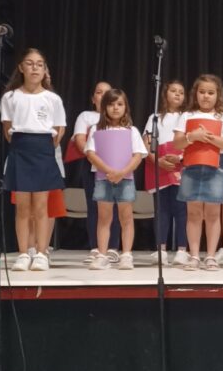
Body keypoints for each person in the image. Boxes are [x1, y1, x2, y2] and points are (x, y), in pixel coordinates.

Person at [1, 48, 66, 272]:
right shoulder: (10, 97)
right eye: (29, 63)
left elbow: (59, 130)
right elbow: (7, 129)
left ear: (45, 69)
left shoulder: (52, 99)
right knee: (22, 207)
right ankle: (23, 253)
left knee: (41, 207)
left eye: (39, 64)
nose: (34, 68)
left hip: (43, 150)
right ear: (21, 67)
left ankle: (41, 252)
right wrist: (22, 144)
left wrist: (43, 148)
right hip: (20, 149)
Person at [173, 74, 223, 271]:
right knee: (193, 212)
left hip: (217, 166)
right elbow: (177, 143)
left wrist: (210, 138)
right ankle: (194, 255)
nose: (206, 96)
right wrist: (192, 136)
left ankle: (210, 256)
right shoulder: (187, 115)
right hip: (192, 165)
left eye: (210, 92)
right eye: (202, 92)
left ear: (218, 95)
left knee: (212, 212)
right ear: (196, 94)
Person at [84, 88, 147, 270]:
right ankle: (102, 255)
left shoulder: (131, 130)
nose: (116, 108)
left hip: (125, 179)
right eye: (111, 104)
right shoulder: (97, 129)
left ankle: (126, 254)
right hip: (103, 179)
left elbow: (138, 155)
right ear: (104, 107)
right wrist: (109, 171)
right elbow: (90, 153)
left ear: (126, 107)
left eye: (120, 104)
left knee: (126, 217)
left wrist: (122, 172)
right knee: (104, 218)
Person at [72, 80, 120, 263]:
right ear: (93, 99)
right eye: (99, 92)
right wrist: (96, 159)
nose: (104, 95)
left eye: (108, 92)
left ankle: (113, 248)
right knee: (94, 207)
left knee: (114, 206)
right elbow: (80, 141)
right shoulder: (86, 116)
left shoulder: (119, 118)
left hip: (115, 167)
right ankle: (95, 247)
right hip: (91, 165)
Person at [143, 79, 188, 266]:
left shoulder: (187, 117)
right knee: (161, 209)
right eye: (173, 91)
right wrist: (157, 160)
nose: (177, 94)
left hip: (180, 165)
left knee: (181, 209)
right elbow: (146, 142)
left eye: (181, 92)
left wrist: (181, 158)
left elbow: (191, 141)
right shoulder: (154, 117)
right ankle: (160, 249)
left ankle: (182, 250)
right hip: (158, 165)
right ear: (165, 94)